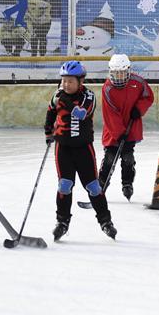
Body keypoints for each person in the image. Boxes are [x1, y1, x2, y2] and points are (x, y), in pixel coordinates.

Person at [44, 60, 117, 241]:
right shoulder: (57, 95)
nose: (65, 84)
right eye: (63, 80)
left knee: (93, 187)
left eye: (70, 81)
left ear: (80, 81)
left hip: (83, 149)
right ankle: (62, 222)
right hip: (63, 148)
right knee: (64, 185)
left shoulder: (88, 96)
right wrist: (48, 132)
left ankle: (105, 221)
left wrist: (64, 100)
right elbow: (50, 112)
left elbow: (81, 114)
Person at [99, 54, 154, 200]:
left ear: (128, 71)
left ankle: (127, 184)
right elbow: (110, 114)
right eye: (116, 72)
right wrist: (118, 133)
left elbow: (148, 96)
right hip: (113, 131)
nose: (119, 75)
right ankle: (100, 187)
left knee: (128, 158)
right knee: (110, 158)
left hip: (131, 128)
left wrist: (139, 109)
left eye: (122, 72)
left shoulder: (138, 82)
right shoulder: (107, 89)